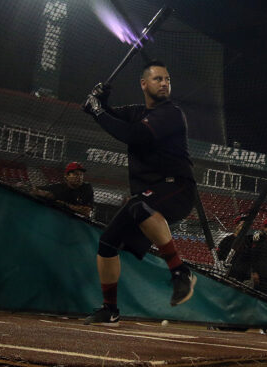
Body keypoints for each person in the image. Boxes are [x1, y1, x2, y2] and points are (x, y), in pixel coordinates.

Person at [81, 60, 196, 326]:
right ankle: (110, 309)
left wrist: (98, 111)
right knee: (107, 244)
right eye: (158, 79)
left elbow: (131, 135)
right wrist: (99, 101)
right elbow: (107, 116)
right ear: (144, 84)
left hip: (176, 187)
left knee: (138, 206)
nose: (165, 83)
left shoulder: (171, 113)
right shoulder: (137, 111)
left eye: (167, 79)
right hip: (148, 193)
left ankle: (180, 273)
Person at [216, 215, 253, 282]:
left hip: (243, 277)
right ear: (237, 226)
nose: (245, 227)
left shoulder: (248, 241)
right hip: (229, 275)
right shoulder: (227, 240)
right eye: (242, 224)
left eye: (246, 225)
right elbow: (219, 256)